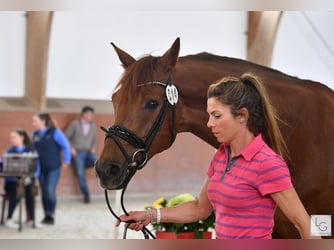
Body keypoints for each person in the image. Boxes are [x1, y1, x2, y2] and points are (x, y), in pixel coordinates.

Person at [115, 73, 319, 239]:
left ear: (242, 116)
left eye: (217, 116)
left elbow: (304, 224)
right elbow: (199, 209)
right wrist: (150, 215)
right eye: (209, 115)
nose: (209, 123)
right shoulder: (221, 156)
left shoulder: (268, 164)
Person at [31, 112, 71, 225]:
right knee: (44, 192)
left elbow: (66, 146)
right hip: (40, 168)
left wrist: (66, 161)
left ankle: (51, 214)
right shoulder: (34, 135)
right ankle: (46, 215)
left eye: (35, 120)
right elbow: (31, 150)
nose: (33, 123)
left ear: (43, 121)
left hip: (53, 168)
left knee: (49, 190)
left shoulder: (55, 132)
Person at [3, 129, 40, 229]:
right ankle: (9, 218)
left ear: (22, 138)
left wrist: (35, 177)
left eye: (14, 137)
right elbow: (5, 169)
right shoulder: (8, 152)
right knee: (16, 192)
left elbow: (36, 167)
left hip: (27, 181)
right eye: (11, 137)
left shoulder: (31, 151)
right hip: (12, 181)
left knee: (30, 192)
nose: (12, 139)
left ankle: (32, 219)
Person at [64, 105, 98, 204]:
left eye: (92, 115)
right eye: (90, 114)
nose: (91, 116)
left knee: (98, 162)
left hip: (88, 152)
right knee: (80, 174)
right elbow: (66, 137)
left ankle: (82, 166)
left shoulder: (93, 125)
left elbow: (94, 139)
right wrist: (71, 148)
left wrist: (93, 147)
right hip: (78, 152)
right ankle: (86, 196)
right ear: (84, 114)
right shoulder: (75, 124)